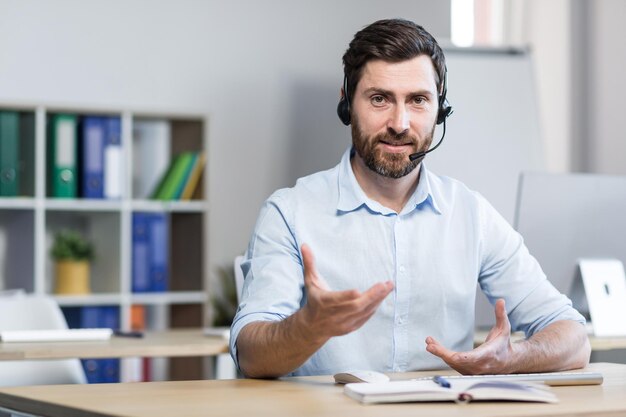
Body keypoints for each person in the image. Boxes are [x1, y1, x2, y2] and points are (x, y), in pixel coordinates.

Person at [230, 18, 590, 378]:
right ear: (346, 105)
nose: (400, 123)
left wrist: (512, 358)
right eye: (379, 99)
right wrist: (308, 328)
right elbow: (250, 355)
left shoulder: (470, 213)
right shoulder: (290, 212)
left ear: (441, 108)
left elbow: (573, 337)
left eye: (418, 100)